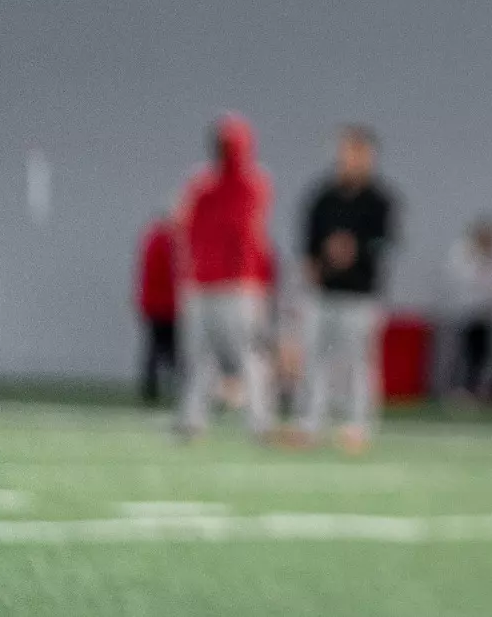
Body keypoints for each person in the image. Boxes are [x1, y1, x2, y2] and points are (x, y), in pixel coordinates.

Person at [173, 114, 276, 440]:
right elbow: (184, 226)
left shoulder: (251, 183)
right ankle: (192, 419)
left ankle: (260, 422)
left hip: (239, 285)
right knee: (199, 356)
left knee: (248, 354)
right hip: (204, 282)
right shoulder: (203, 183)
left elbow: (241, 228)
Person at [296, 124, 398, 452]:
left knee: (358, 362)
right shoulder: (323, 197)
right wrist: (314, 263)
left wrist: (355, 249)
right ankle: (309, 422)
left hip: (360, 294)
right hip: (323, 292)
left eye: (357, 152)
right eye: (345, 152)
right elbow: (308, 242)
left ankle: (358, 425)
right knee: (314, 358)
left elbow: (386, 243)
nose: (350, 159)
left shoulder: (380, 201)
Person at [444, 216, 492, 400]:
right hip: (466, 312)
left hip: (486, 314)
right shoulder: (463, 252)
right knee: (463, 353)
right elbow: (461, 280)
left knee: (481, 356)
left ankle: (476, 389)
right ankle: (456, 389)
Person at [134, 210, 180, 403]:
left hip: (153, 304)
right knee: (172, 350)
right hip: (168, 305)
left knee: (154, 349)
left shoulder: (151, 238)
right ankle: (172, 387)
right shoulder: (172, 241)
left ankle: (150, 390)